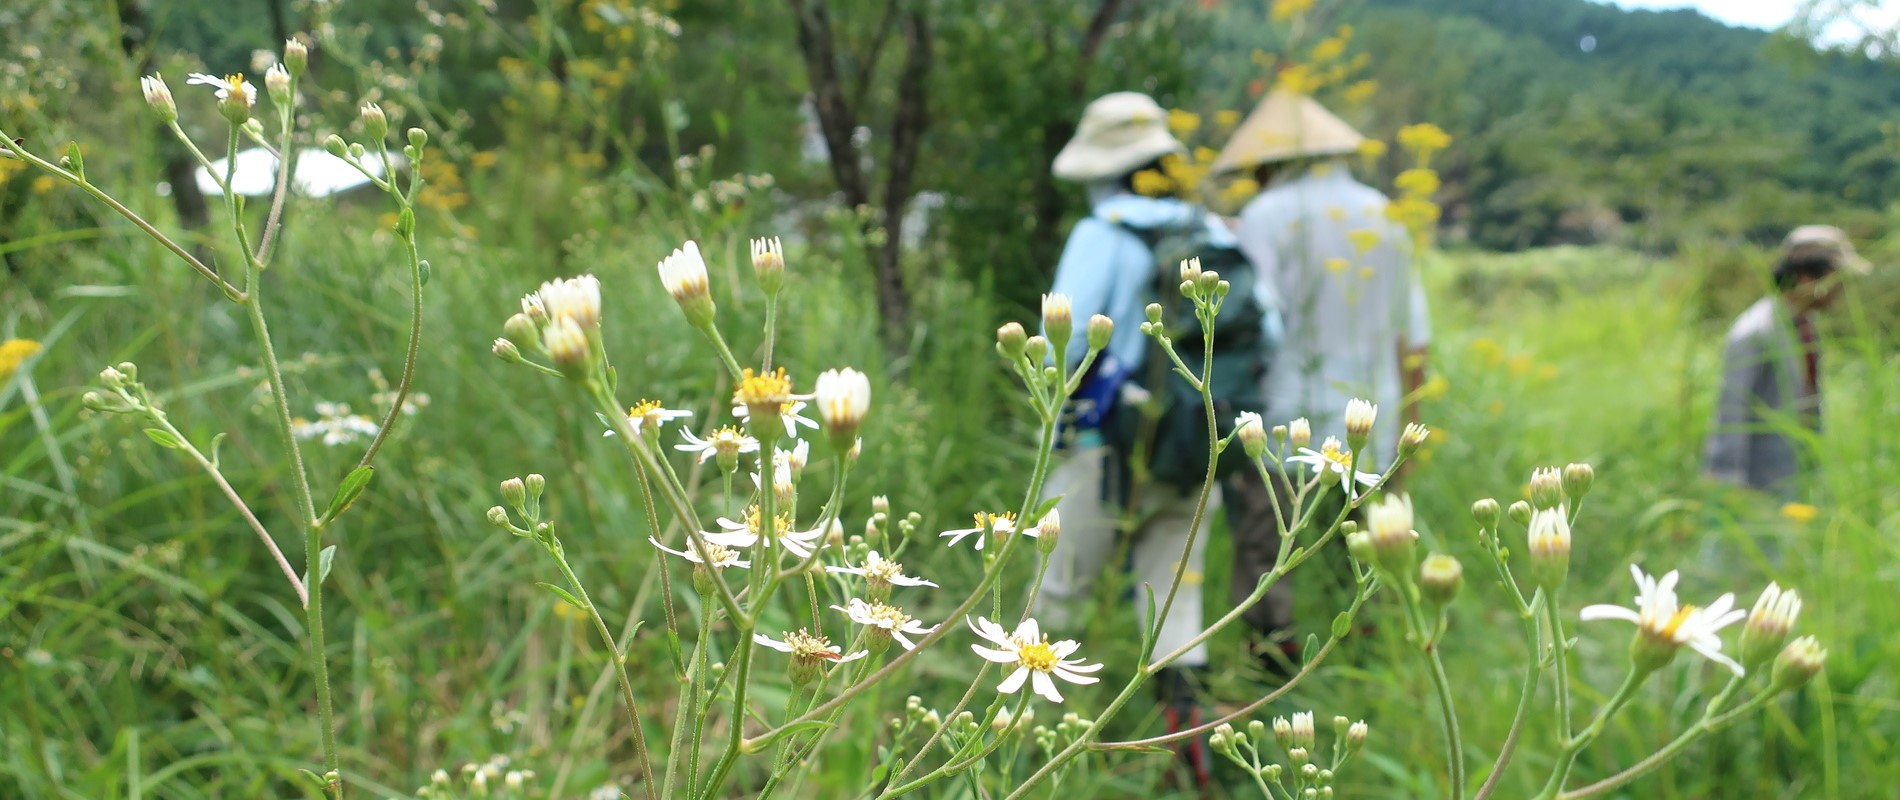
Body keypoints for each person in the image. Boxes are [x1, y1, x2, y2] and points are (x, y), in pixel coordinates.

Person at [1034, 91, 1272, 787]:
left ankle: (1035, 751)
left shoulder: (1102, 233)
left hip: (1107, 446)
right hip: (1201, 447)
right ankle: (1192, 763)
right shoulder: (1218, 230)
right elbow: (1272, 335)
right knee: (1174, 599)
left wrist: (1060, 417)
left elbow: (1065, 336)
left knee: (1058, 590)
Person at [1213, 90, 1432, 661]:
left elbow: (1252, 323)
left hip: (1289, 413)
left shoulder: (1265, 215)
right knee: (1368, 546)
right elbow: (1413, 336)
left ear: (1268, 162)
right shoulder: (1386, 212)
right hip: (1373, 411)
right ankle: (1366, 651)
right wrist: (1411, 424)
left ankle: (1271, 662)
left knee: (1271, 543)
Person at [1705, 224, 1866, 497]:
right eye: (1837, 278)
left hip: (1792, 477)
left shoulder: (1805, 325)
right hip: (1753, 487)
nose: (1842, 289)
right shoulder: (1755, 332)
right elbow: (1731, 414)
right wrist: (1728, 484)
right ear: (1806, 277)